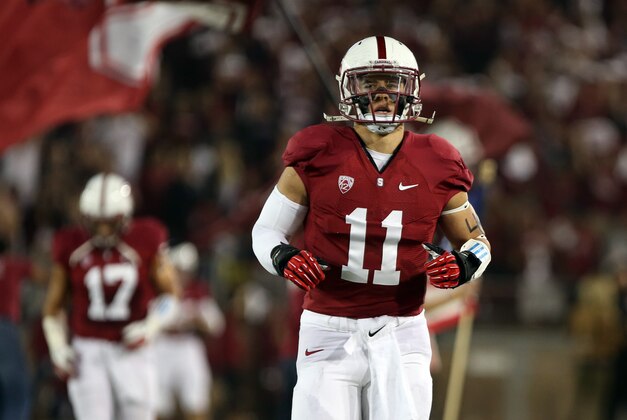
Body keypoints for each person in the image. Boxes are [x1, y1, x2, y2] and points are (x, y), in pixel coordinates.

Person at [251, 35, 492, 419]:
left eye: (392, 83)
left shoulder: (439, 160)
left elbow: (478, 241)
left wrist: (463, 264)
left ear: (410, 88)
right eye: (370, 83)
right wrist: (283, 257)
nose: (382, 95)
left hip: (403, 329)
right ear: (349, 87)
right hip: (328, 328)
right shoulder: (316, 152)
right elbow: (265, 231)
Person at [41, 172, 181, 420]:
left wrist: (150, 327)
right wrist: (57, 346)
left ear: (125, 217)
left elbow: (171, 296)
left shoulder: (146, 237)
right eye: (96, 221)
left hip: (131, 346)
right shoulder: (70, 243)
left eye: (110, 222)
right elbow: (53, 307)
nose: (103, 230)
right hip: (88, 349)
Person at [154, 241, 225, 420]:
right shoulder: (158, 289)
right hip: (161, 346)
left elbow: (216, 325)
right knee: (159, 406)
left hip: (188, 345)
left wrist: (197, 320)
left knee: (196, 402)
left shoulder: (198, 291)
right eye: (179, 269)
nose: (183, 275)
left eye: (187, 270)